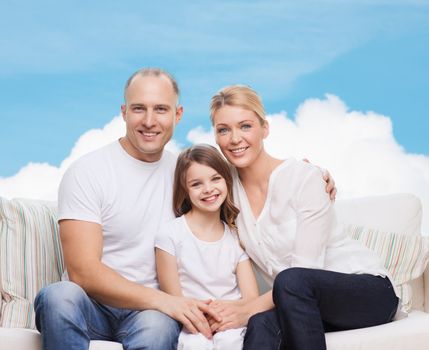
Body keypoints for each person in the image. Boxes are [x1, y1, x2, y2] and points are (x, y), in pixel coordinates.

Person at [34, 68, 221, 350]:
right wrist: (166, 301)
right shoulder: (88, 171)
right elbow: (83, 272)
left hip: (149, 315)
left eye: (160, 109)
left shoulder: (186, 175)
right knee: (58, 296)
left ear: (177, 114)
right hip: (91, 307)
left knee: (156, 329)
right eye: (138, 109)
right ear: (123, 112)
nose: (149, 121)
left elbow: (234, 195)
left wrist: (308, 176)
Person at [207, 85, 399, 350]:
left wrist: (247, 308)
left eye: (245, 126)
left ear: (265, 128)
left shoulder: (304, 179)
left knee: (291, 279)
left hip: (367, 293)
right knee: (260, 325)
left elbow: (305, 269)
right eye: (223, 129)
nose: (234, 138)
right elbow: (186, 175)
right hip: (298, 303)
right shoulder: (225, 192)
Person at [155, 144, 259, 350]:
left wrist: (224, 313)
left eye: (215, 178)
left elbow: (251, 299)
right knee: (195, 345)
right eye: (196, 184)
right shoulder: (170, 234)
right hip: (190, 322)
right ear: (185, 190)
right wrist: (204, 315)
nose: (208, 189)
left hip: (231, 322)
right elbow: (174, 299)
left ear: (227, 180)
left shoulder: (236, 236)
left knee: (231, 341)